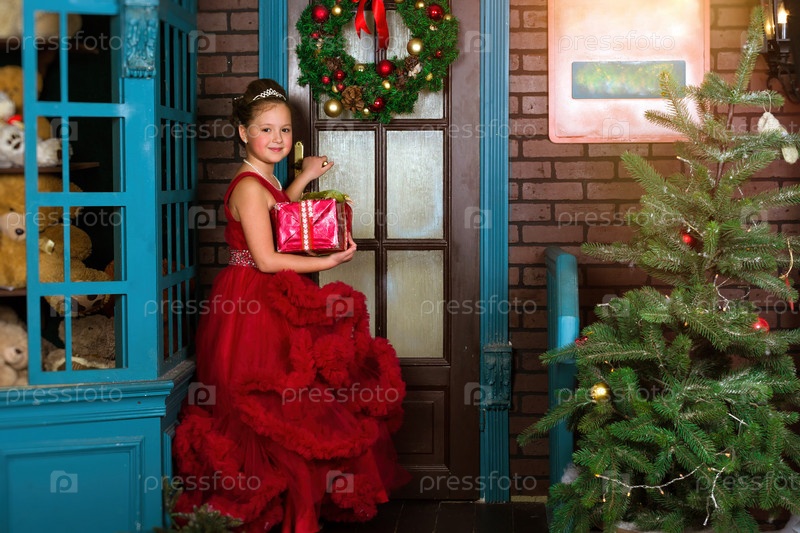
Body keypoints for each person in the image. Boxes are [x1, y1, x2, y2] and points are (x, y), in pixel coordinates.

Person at [172, 79, 410, 532]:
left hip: (265, 295)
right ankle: (274, 512)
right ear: (243, 133)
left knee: (288, 402)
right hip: (250, 301)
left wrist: (302, 179)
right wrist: (328, 260)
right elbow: (266, 258)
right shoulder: (248, 186)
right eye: (266, 130)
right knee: (266, 403)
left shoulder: (265, 179)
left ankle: (292, 509)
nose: (277, 138)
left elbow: (280, 214)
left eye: (284, 130)